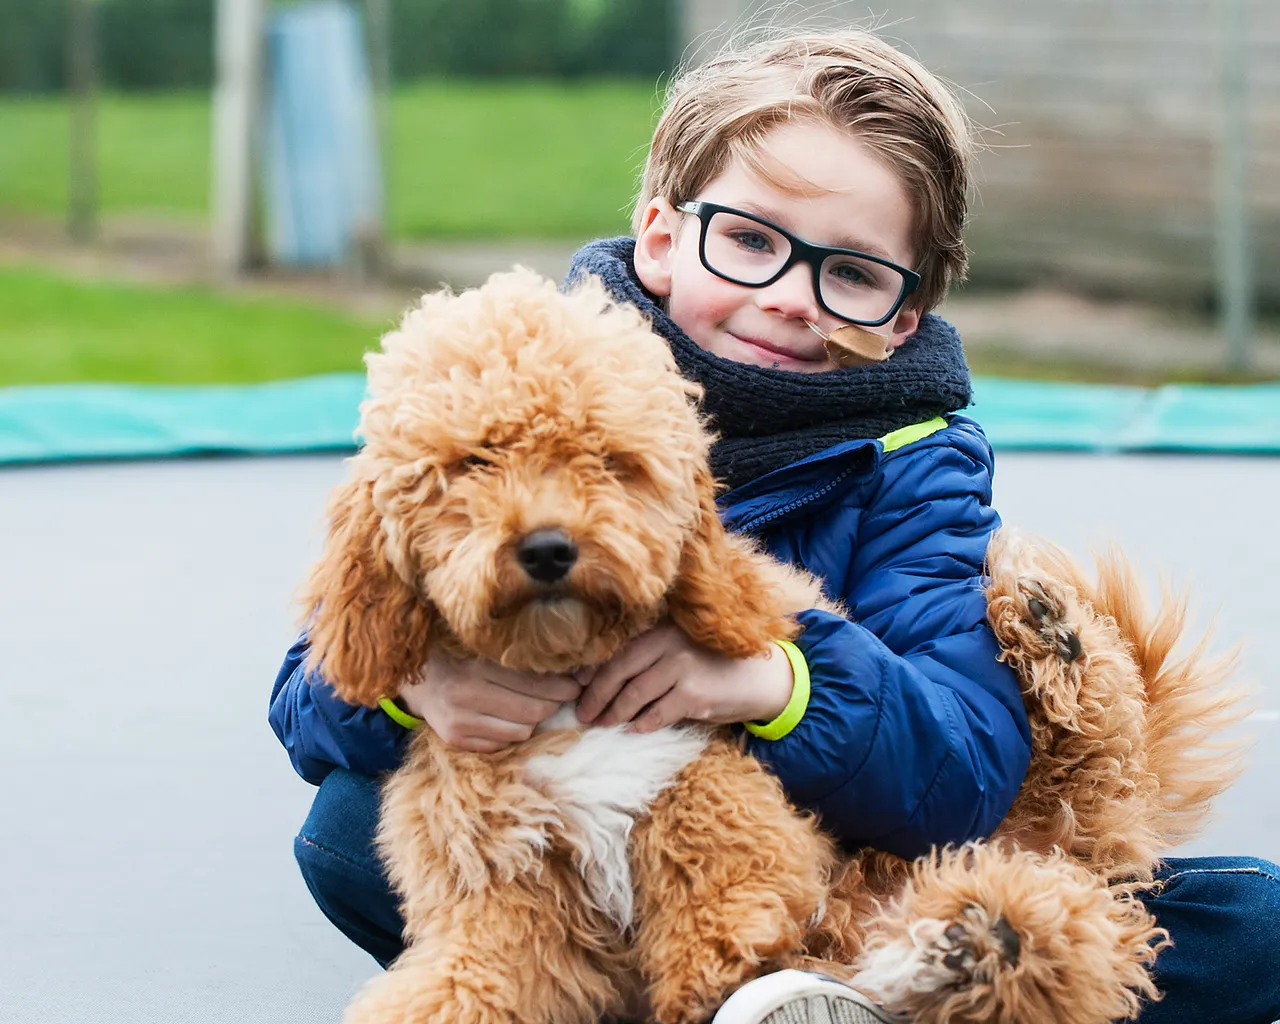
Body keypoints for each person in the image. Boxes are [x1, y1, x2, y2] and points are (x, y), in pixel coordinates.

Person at [270, 28, 1280, 1024]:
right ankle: (798, 1001)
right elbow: (315, 685)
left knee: (1244, 923)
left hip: (846, 861)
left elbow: (965, 770)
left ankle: (848, 980)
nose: (788, 298)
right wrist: (419, 687)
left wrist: (772, 679)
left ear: (904, 315)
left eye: (849, 273)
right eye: (749, 241)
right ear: (662, 238)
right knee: (346, 831)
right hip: (559, 861)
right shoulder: (530, 377)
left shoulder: (914, 468)